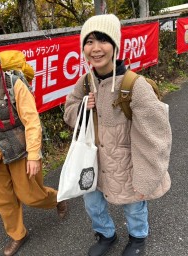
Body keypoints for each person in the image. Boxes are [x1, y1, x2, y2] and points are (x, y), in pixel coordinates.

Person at [64, 14, 172, 256]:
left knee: (134, 205)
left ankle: (138, 237)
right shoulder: (85, 82)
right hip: (92, 160)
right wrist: (83, 106)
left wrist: (147, 177)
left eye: (103, 40)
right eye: (89, 41)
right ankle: (105, 234)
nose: (95, 48)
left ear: (115, 44)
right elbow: (69, 110)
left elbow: (156, 135)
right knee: (92, 204)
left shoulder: (135, 85)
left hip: (128, 163)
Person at [0, 29, 67, 256]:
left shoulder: (13, 82)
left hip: (20, 151)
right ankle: (18, 234)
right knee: (2, 200)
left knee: (31, 196)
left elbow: (32, 120)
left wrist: (34, 155)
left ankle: (57, 198)